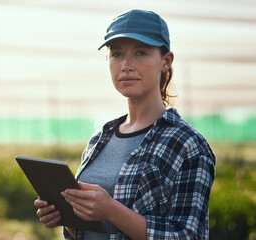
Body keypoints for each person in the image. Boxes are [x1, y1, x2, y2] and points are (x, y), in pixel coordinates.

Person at [34, 9, 216, 240]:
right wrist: (66, 216)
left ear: (166, 61)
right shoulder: (100, 139)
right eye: (116, 54)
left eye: (141, 52)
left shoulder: (188, 145)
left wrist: (111, 210)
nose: (126, 65)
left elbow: (188, 236)